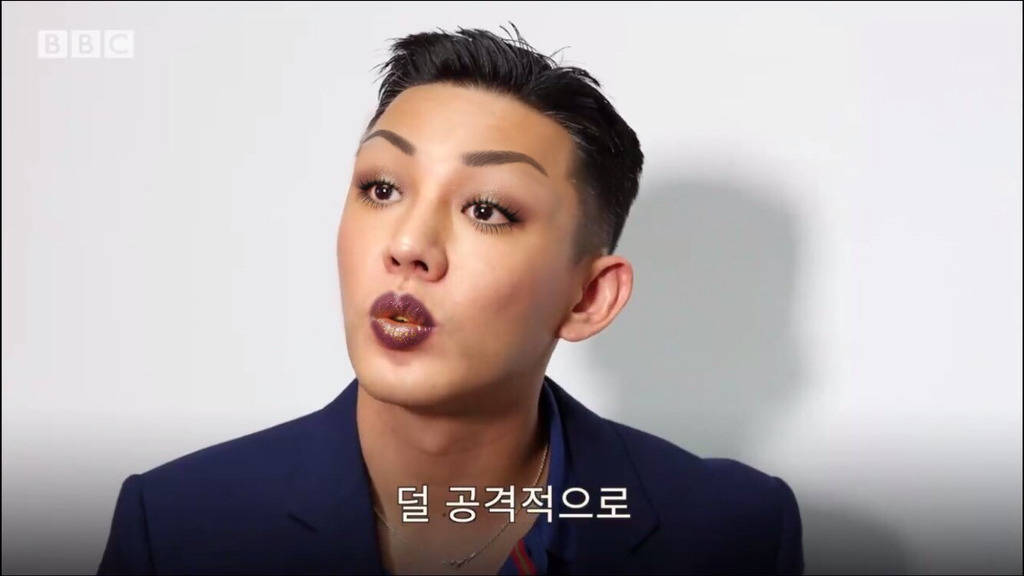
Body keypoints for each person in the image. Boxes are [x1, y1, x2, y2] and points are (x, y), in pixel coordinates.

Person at [97, 24, 804, 575]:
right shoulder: (178, 525)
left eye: (487, 209)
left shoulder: (730, 532)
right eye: (382, 188)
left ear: (589, 297)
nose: (409, 245)